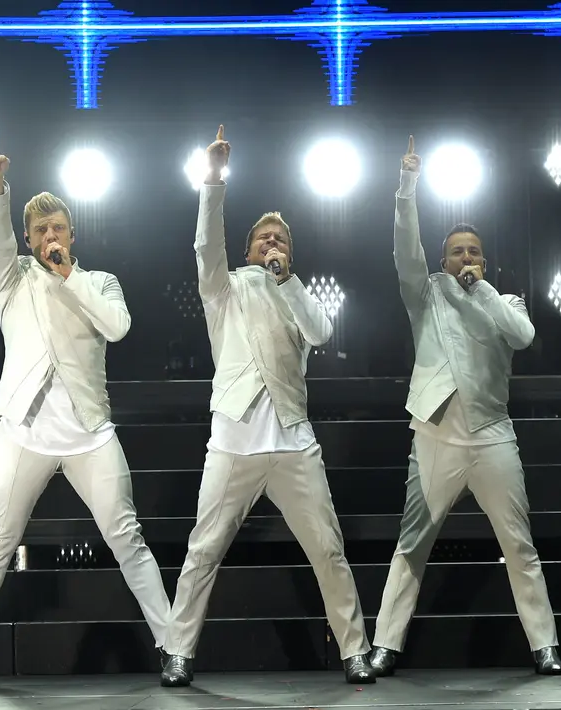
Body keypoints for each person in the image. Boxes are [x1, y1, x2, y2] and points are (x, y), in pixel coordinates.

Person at [0, 131, 171, 685]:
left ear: (72, 234)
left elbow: (117, 328)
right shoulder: (12, 275)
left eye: (58, 228)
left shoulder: (99, 281)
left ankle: (174, 644)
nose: (50, 235)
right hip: (24, 430)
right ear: (28, 238)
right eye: (40, 230)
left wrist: (69, 277)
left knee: (127, 537)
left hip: (89, 430)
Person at [158, 126, 374, 687]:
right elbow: (207, 245)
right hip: (233, 437)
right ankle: (178, 651)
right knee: (204, 548)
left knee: (328, 547)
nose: (271, 247)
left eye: (280, 241)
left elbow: (322, 332)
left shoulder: (297, 294)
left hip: (292, 440)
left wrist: (289, 280)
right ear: (249, 249)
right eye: (263, 241)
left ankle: (355, 650)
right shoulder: (223, 290)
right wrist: (213, 180)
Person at [367, 136, 561, 678]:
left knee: (517, 542)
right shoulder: (425, 291)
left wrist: (483, 292)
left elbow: (522, 337)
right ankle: (385, 642)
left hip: (493, 434)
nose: (466, 259)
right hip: (436, 433)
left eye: (474, 252)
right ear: (444, 258)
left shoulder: (504, 301)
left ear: (484, 260)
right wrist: (407, 187)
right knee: (412, 543)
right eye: (457, 252)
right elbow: (404, 246)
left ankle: (544, 644)